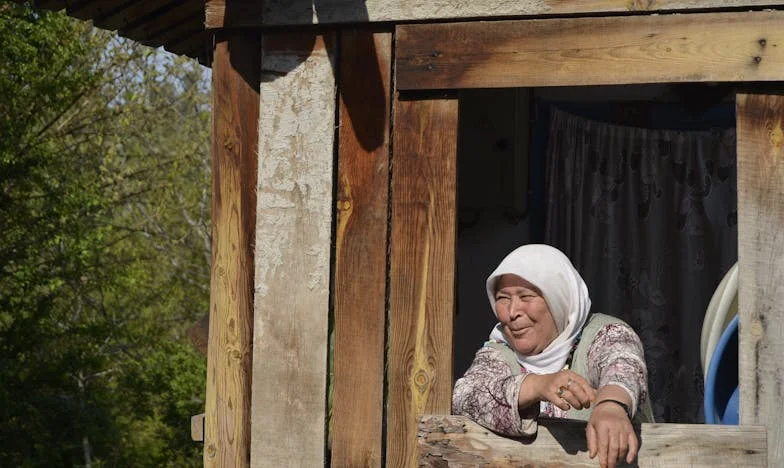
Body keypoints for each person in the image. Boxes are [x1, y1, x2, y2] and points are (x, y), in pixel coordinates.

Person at [453, 244, 652, 468]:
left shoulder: (604, 334)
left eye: (526, 296)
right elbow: (465, 396)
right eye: (503, 298)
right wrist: (538, 385)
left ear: (558, 298)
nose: (512, 312)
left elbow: (623, 364)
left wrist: (611, 405)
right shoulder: (499, 350)